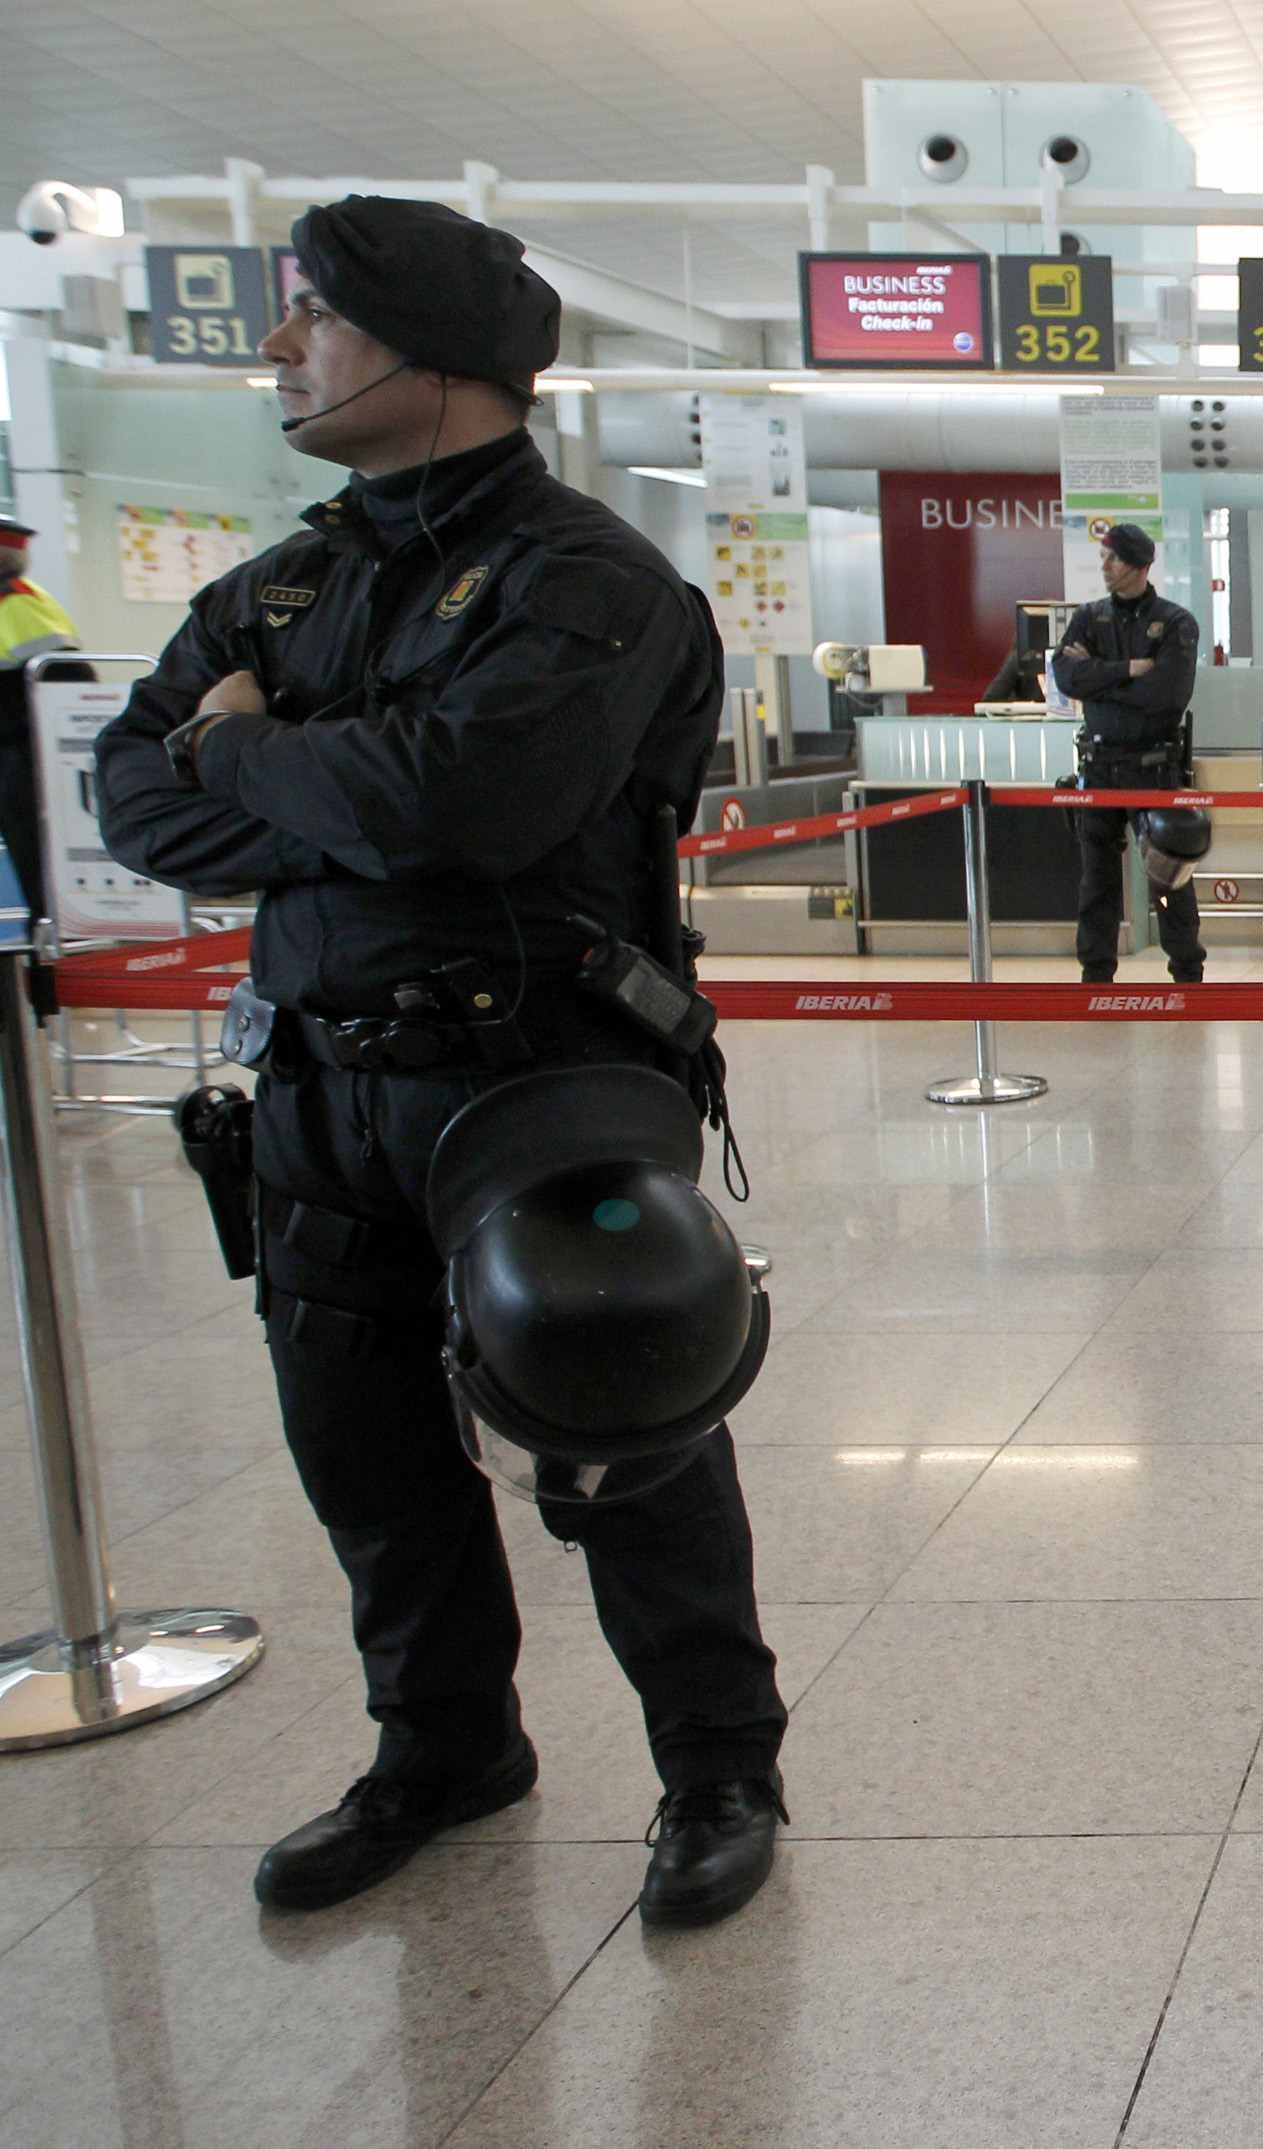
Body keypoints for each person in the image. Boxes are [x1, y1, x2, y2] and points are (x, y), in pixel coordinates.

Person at [91, 195, 789, 1927]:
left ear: (442, 356)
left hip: (537, 1082)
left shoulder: (587, 582)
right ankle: (444, 1748)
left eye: (315, 314)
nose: (281, 348)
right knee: (366, 1447)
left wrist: (255, 752)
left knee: (619, 1419)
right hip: (318, 1088)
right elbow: (136, 794)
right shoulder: (287, 579)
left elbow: (464, 804)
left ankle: (718, 1765)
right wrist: (329, 782)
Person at [1052, 523, 1204, 984]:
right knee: (1097, 879)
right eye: (1103, 557)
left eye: (1113, 558)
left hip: (1154, 768)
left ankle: (1187, 972)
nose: (1105, 566)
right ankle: (1096, 974)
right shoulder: (1088, 618)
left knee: (1169, 876)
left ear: (1139, 566)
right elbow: (1067, 678)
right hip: (1099, 767)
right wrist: (1128, 670)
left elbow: (1166, 695)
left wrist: (1099, 679)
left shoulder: (1175, 623)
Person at [0, 511, 80, 905]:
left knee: (33, 850)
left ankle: (46, 929)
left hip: (21, 750)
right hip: (15, 745)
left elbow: (68, 678)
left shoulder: (23, 604)